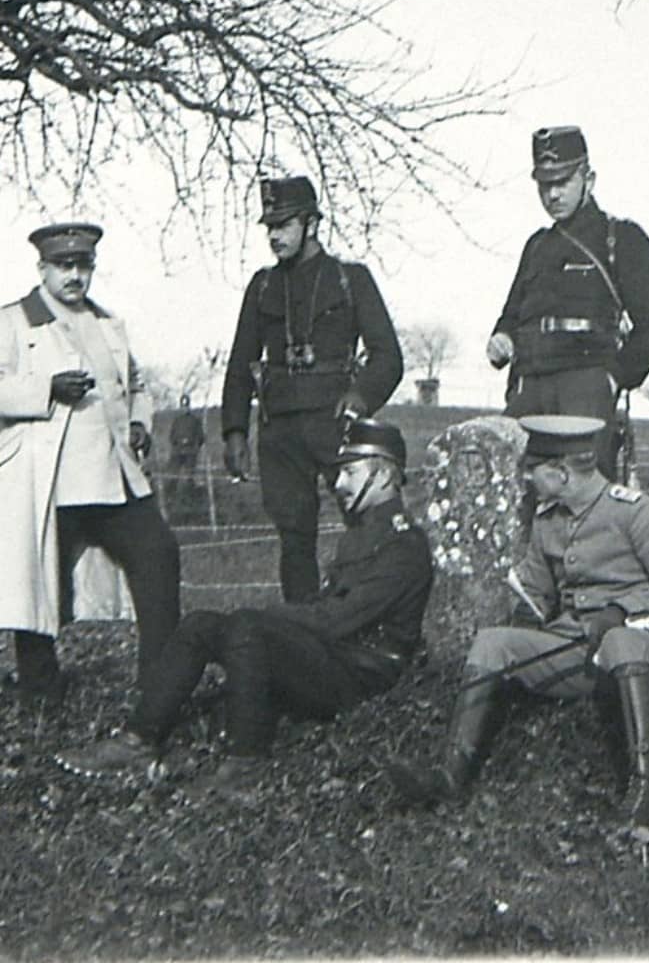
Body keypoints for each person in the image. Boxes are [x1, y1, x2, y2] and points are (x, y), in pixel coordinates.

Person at [56, 418, 433, 797]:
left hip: (361, 675)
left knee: (248, 626)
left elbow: (337, 620)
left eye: (350, 472)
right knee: (201, 624)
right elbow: (326, 609)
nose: (337, 485)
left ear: (385, 477)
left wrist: (262, 618)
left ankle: (246, 764)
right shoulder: (364, 533)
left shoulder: (403, 547)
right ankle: (138, 739)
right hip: (333, 657)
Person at [389, 415, 649, 826]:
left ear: (561, 473)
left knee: (621, 641)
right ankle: (451, 775)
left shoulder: (635, 512)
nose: (525, 478)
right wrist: (523, 602)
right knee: (493, 642)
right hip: (578, 649)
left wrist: (624, 609)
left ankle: (645, 791)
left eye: (532, 469)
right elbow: (537, 591)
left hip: (646, 655)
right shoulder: (548, 520)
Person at [0, 222, 181, 709]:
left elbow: (136, 385)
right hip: (49, 482)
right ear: (42, 269)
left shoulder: (107, 322)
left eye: (83, 266)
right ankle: (41, 690)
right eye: (64, 266)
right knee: (38, 585)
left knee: (159, 556)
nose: (75, 276)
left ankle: (159, 683)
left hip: (113, 478)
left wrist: (139, 423)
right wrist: (45, 390)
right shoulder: (14, 321)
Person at [221, 176, 404, 602]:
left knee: (367, 526)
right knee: (294, 538)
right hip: (280, 431)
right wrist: (233, 430)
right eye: (270, 226)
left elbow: (388, 356)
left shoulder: (350, 279)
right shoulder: (262, 286)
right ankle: (302, 634)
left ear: (312, 224)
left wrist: (360, 398)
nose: (274, 236)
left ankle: (373, 621)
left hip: (335, 425)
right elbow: (239, 365)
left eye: (284, 225)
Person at [486, 126, 649, 478]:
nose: (552, 194)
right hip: (529, 386)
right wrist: (503, 337)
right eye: (544, 184)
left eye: (563, 182)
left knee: (582, 500)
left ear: (589, 178)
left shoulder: (621, 239)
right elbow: (511, 315)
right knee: (509, 490)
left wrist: (613, 379)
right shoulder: (537, 246)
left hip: (584, 388)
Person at [164, 393, 206, 511]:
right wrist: (178, 442)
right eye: (182, 406)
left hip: (190, 452)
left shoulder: (195, 420)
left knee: (189, 477)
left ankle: (190, 501)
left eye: (186, 406)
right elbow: (172, 435)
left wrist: (192, 444)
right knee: (172, 475)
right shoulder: (177, 421)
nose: (184, 408)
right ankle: (169, 499)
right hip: (177, 452)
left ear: (189, 406)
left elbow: (201, 436)